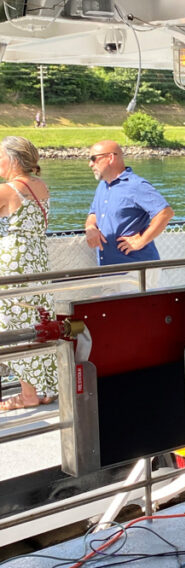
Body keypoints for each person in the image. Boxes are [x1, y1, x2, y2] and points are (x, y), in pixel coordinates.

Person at [0, 136, 57, 411]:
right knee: (38, 324)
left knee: (13, 327)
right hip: (37, 262)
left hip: (14, 262)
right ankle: (43, 390)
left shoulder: (8, 190)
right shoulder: (41, 187)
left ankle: (27, 394)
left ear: (12, 159)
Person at [84, 140, 174, 266]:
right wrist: (90, 227)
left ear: (110, 158)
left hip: (136, 269)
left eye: (94, 159)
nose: (90, 164)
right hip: (109, 269)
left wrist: (141, 241)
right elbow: (94, 213)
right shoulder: (103, 186)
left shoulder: (136, 185)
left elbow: (165, 213)